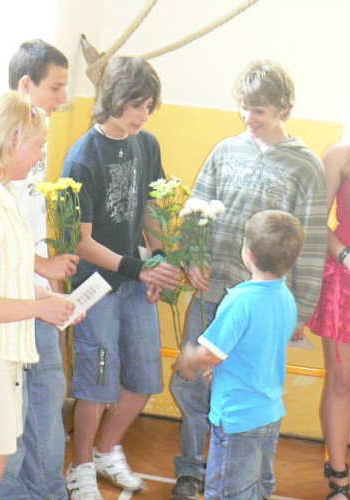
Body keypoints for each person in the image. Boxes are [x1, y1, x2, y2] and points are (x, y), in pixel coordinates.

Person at [170, 59, 327, 500]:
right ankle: (189, 468)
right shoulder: (224, 151)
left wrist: (304, 310)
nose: (249, 119)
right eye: (244, 109)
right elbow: (195, 212)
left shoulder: (305, 166)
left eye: (258, 110)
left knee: (247, 392)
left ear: (282, 107)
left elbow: (311, 241)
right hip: (212, 289)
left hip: (260, 304)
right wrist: (191, 257)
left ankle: (249, 481)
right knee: (194, 384)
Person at [62, 55, 182, 500]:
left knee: (146, 376)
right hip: (96, 286)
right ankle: (79, 469)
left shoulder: (146, 144)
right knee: (96, 382)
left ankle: (107, 449)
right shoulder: (81, 158)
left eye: (149, 105)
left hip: (135, 278)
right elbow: (81, 242)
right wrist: (140, 266)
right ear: (111, 98)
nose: (143, 115)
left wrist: (162, 258)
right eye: (136, 104)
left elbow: (152, 210)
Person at [0, 91, 75, 500]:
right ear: (13, 138)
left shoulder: (3, 194)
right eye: (38, 146)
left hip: (4, 355)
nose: (39, 156)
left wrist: (52, 307)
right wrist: (39, 306)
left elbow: (7, 281)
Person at [174, 209, 304, 499]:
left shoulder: (240, 300)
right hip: (269, 411)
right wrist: (216, 364)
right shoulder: (285, 297)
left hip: (238, 417)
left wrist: (188, 363)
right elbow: (253, 349)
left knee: (227, 491)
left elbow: (210, 354)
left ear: (249, 253)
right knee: (258, 485)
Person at [306, 142, 350, 500]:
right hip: (346, 282)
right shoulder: (340, 155)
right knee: (341, 382)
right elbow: (314, 221)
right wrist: (346, 256)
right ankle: (338, 477)